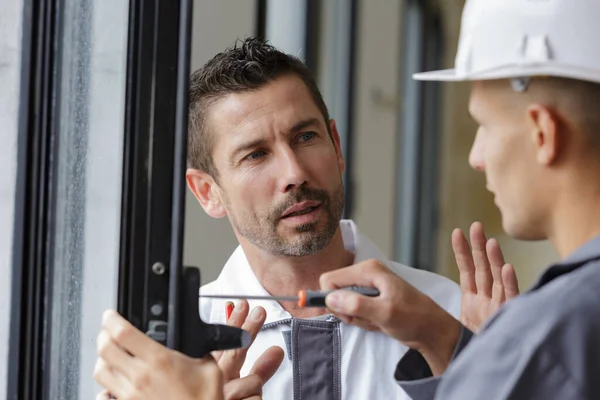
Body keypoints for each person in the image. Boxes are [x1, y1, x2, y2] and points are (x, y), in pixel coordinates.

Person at [94, 37, 465, 399]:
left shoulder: (450, 315)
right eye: (255, 155)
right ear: (208, 192)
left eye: (305, 137)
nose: (294, 173)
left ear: (336, 146)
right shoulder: (161, 358)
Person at [319, 0, 600, 398]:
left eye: (484, 125)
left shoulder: (550, 341)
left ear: (542, 133)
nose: (476, 157)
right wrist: (454, 343)